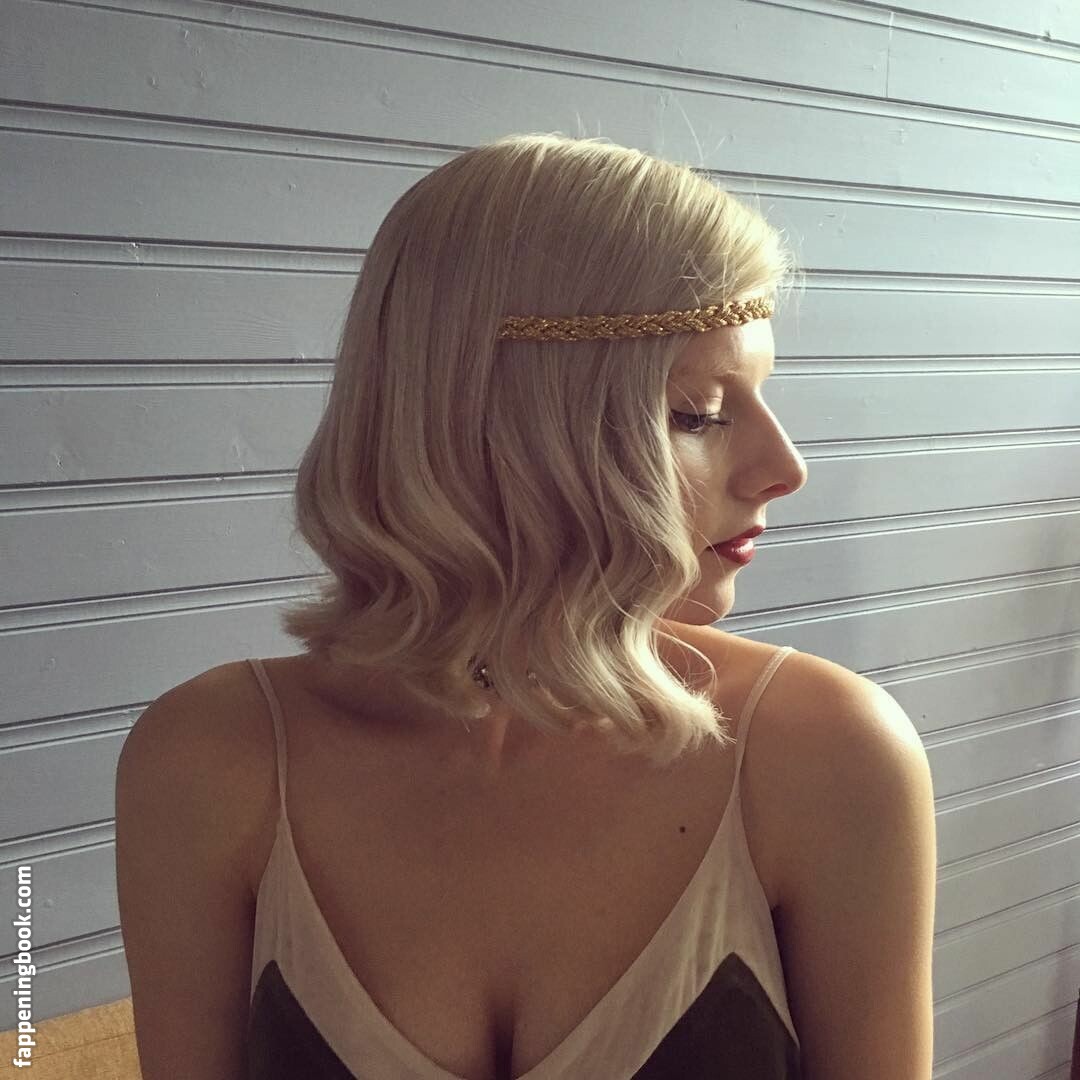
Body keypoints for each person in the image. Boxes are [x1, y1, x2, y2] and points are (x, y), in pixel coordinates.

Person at [114, 133, 937, 1079]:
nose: (784, 468)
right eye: (698, 412)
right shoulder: (209, 761)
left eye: (759, 399)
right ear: (502, 424)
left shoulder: (827, 755)